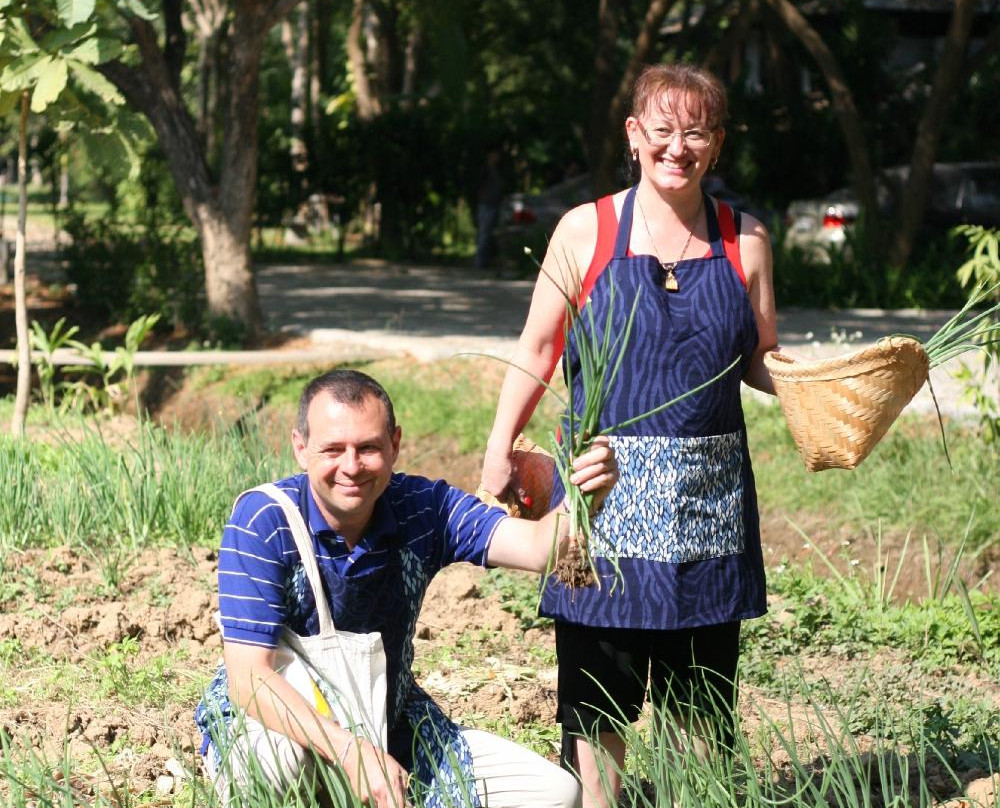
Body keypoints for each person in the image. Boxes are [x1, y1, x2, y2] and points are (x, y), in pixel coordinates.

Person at [480, 64, 779, 808]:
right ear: (635, 135)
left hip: (708, 504)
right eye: (664, 130)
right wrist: (497, 447)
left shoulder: (747, 239)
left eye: (697, 132)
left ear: (716, 144)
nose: (679, 148)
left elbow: (762, 359)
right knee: (597, 699)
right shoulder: (587, 230)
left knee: (700, 702)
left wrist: (833, 388)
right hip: (602, 497)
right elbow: (537, 348)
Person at [195, 369, 618, 808]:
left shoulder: (424, 508)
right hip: (276, 726)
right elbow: (249, 679)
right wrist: (348, 750)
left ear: (395, 444)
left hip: (387, 721)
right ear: (301, 448)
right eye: (333, 449)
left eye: (368, 448)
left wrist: (584, 497)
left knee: (554, 793)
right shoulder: (264, 520)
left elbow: (537, 549)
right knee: (279, 763)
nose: (351, 466)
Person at [475, 149, 503, 268]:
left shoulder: (496, 170)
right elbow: (478, 185)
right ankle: (480, 262)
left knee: (489, 234)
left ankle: (485, 261)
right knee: (484, 233)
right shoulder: (485, 170)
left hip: (493, 204)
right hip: (486, 204)